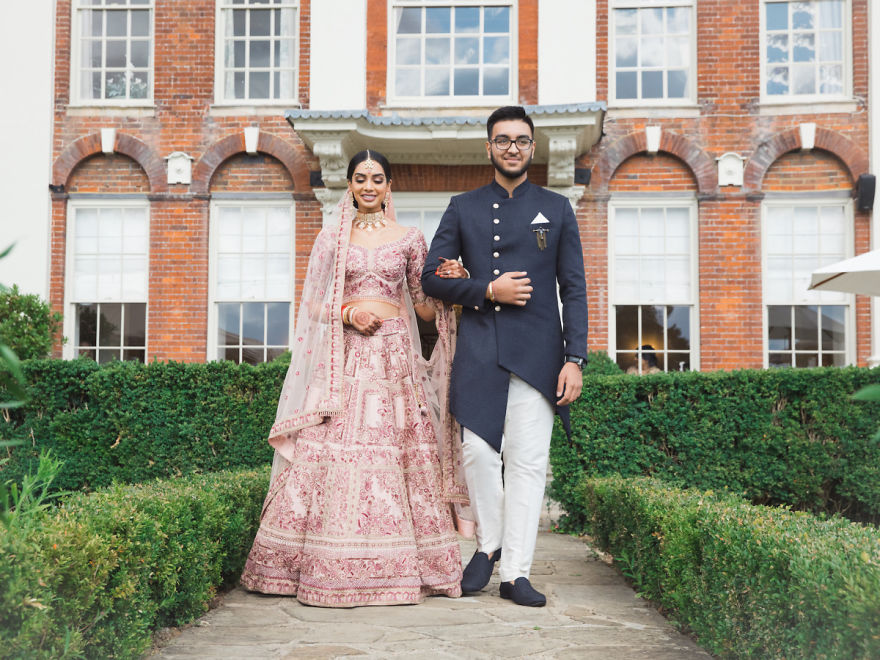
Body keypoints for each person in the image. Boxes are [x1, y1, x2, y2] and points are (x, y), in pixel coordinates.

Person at [240, 150, 471, 607]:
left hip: (395, 364)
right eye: (361, 178)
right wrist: (348, 312)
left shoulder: (409, 238)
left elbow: (424, 307)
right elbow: (312, 306)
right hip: (345, 362)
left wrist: (455, 283)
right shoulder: (332, 239)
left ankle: (409, 567)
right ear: (349, 185)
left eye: (378, 179)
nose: (369, 186)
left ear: (389, 187)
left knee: (400, 454)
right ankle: (319, 564)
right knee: (332, 453)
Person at [421, 106, 589, 607]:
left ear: (532, 148)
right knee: (477, 453)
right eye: (502, 140)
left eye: (520, 140)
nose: (512, 147)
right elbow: (431, 278)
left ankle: (515, 572)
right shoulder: (463, 206)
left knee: (528, 464)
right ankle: (488, 543)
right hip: (479, 349)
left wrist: (575, 358)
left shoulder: (557, 208)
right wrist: (487, 289)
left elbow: (574, 289)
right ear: (488, 147)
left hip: (539, 355)